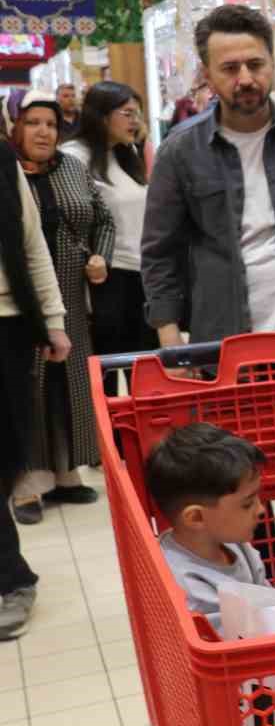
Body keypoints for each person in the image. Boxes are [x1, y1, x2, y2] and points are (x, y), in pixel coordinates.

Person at [142, 4, 275, 348]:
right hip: (224, 339)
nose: (246, 78)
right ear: (207, 75)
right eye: (230, 68)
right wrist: (167, 330)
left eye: (255, 64)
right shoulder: (180, 151)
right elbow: (161, 250)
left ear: (273, 65)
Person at [11, 90, 112, 526]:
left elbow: (103, 218)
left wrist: (100, 256)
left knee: (68, 383)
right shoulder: (5, 171)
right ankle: (27, 482)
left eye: (51, 124)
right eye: (33, 122)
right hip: (18, 301)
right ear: (14, 126)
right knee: (26, 385)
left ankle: (67, 470)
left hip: (71, 295)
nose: (43, 131)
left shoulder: (72, 167)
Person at [147, 422, 275, 631]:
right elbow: (245, 641)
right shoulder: (187, 586)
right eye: (247, 503)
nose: (261, 509)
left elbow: (267, 603)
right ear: (196, 518)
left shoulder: (232, 544)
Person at [0, 139, 70, 637]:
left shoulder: (2, 160)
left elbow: (30, 241)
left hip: (5, 324)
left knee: (4, 458)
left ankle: (10, 580)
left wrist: (53, 318)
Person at [64, 81, 156, 363]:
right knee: (111, 367)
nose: (135, 121)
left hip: (143, 275)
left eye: (138, 113)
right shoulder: (73, 157)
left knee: (145, 367)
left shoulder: (126, 154)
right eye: (127, 113)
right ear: (102, 115)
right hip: (106, 279)